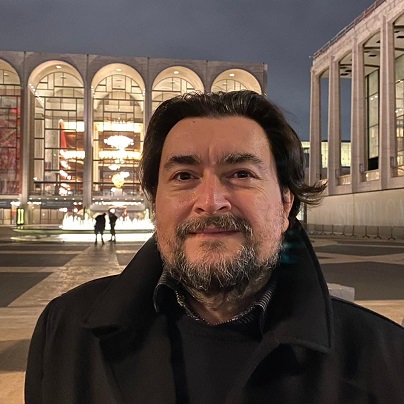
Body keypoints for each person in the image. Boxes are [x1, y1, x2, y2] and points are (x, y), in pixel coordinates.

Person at [25, 91, 404, 403]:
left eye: (241, 174)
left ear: (286, 203)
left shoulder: (385, 358)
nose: (210, 201)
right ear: (155, 203)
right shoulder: (65, 334)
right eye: (184, 176)